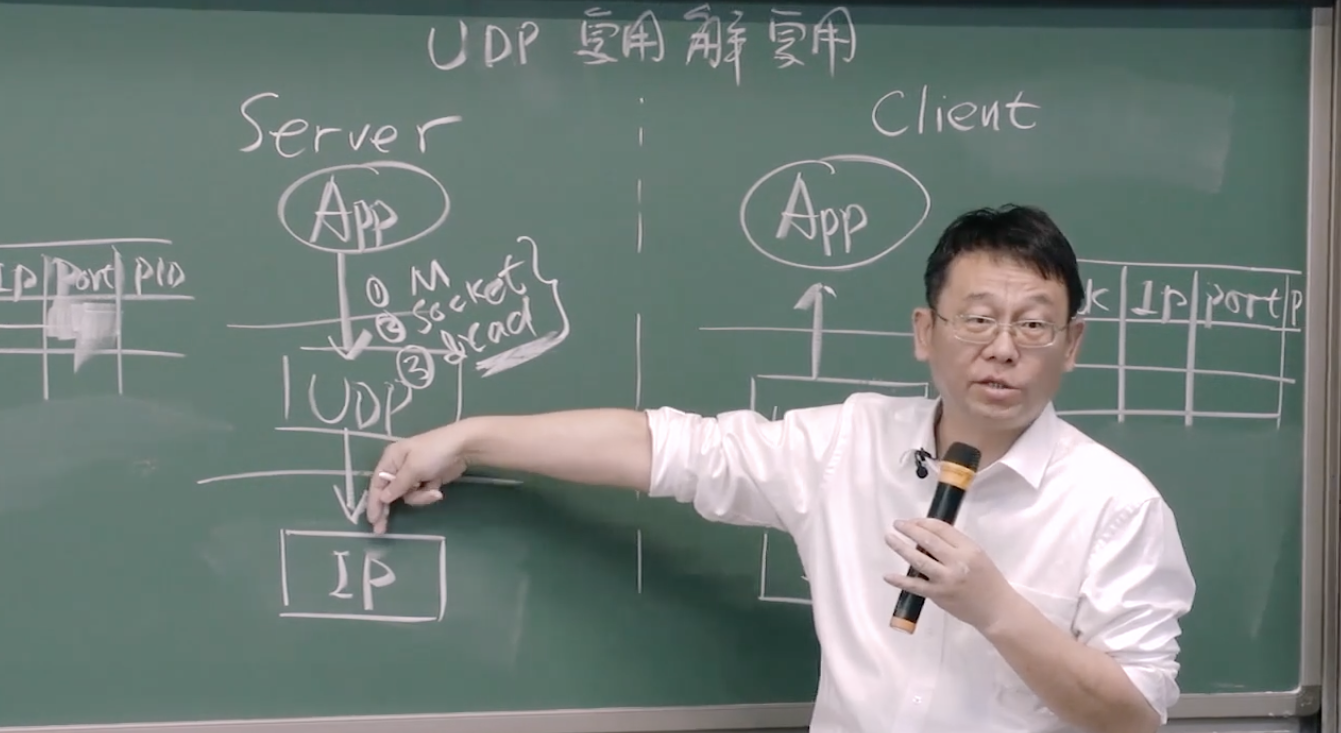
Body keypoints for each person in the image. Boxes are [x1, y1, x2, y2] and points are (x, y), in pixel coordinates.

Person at [366, 204, 1196, 733]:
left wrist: (998, 611)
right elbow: (666, 449)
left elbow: (1134, 717)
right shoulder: (849, 445)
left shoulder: (1115, 505)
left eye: (1034, 325)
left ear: (1072, 344)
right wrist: (471, 436)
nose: (1003, 349)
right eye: (977, 319)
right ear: (925, 332)